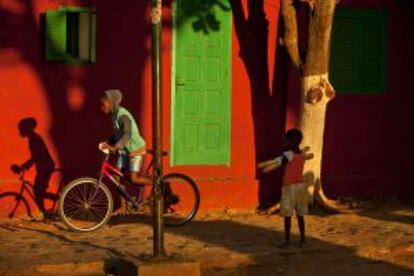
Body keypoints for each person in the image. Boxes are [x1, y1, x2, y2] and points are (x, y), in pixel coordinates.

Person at [258, 128, 311, 248]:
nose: (284, 144)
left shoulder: (288, 154)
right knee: (300, 215)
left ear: (291, 142)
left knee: (288, 215)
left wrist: (266, 165)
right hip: (300, 187)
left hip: (289, 187)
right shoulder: (302, 155)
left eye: (286, 141)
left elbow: (279, 162)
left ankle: (287, 241)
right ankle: (303, 240)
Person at [99, 89, 151, 185]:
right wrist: (108, 142)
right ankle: (125, 201)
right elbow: (117, 133)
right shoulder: (114, 115)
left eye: (103, 104)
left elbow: (127, 134)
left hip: (135, 149)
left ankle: (159, 185)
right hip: (124, 150)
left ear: (111, 103)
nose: (101, 107)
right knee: (117, 178)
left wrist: (115, 147)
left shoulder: (122, 115)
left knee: (134, 179)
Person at [17, 117, 57, 218]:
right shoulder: (33, 138)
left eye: (21, 128)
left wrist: (24, 166)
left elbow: (36, 156)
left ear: (27, 128)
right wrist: (25, 166)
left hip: (45, 167)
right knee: (39, 192)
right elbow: (35, 157)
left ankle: (48, 211)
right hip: (43, 167)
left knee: (38, 193)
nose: (20, 131)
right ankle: (47, 211)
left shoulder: (34, 138)